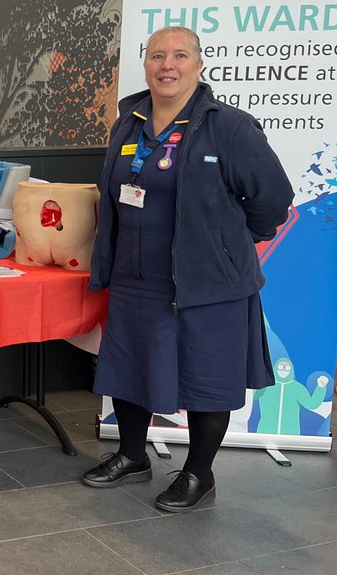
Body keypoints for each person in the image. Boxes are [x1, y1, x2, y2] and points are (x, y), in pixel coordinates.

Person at [82, 26, 292, 512]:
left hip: (207, 280)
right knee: (130, 366)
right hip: (137, 274)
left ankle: (199, 473)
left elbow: (273, 200)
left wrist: (223, 244)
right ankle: (133, 456)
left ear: (199, 65)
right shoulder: (129, 122)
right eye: (157, 55)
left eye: (180, 55)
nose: (167, 65)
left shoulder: (230, 127)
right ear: (146, 64)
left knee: (206, 374)